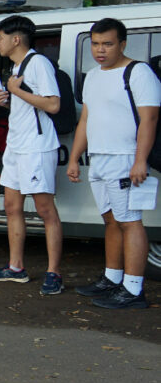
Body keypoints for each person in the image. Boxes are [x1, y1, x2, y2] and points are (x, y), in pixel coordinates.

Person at [67, 17, 158, 310]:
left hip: (125, 157)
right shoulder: (93, 76)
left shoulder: (138, 72)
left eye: (107, 44)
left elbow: (149, 119)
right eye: (95, 44)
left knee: (130, 222)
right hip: (99, 159)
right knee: (110, 220)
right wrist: (74, 158)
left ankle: (133, 290)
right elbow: (86, 119)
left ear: (122, 44)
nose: (100, 50)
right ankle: (112, 278)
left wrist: (140, 160)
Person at [0, 15, 64, 294]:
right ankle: (16, 267)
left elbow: (53, 104)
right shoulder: (17, 67)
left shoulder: (38, 63)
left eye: (0, 38)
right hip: (16, 145)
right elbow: (29, 106)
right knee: (12, 207)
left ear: (16, 39)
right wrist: (7, 101)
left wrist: (16, 90)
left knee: (45, 210)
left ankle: (54, 273)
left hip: (36, 146)